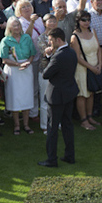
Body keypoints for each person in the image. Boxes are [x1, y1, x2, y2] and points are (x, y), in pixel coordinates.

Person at [38, 26, 77, 167]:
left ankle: (51, 159)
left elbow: (46, 74)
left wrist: (48, 57)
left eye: (50, 40)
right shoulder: (72, 52)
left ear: (58, 40)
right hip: (69, 93)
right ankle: (69, 155)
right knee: (67, 125)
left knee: (52, 128)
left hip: (56, 97)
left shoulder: (58, 56)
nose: (49, 43)